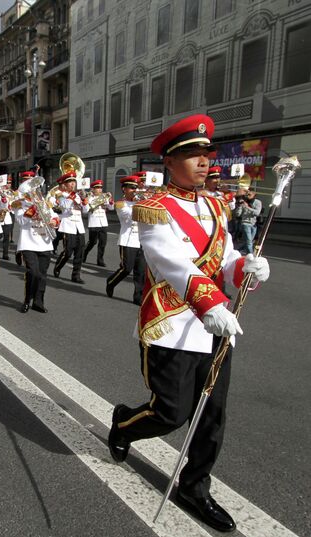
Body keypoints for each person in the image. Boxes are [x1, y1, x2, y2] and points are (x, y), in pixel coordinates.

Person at [108, 114, 270, 533]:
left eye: (205, 153)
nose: (202, 161)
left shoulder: (216, 204)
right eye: (191, 154)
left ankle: (194, 489)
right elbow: (170, 261)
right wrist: (212, 302)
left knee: (212, 414)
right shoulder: (153, 207)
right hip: (172, 321)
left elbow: (225, 257)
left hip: (215, 324)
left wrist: (245, 268)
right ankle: (124, 422)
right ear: (170, 160)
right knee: (172, 412)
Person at [13, 176, 59, 313]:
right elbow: (21, 222)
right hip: (28, 243)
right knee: (33, 272)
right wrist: (33, 208)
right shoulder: (19, 204)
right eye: (33, 189)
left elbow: (54, 216)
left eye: (37, 188)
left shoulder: (43, 203)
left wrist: (54, 222)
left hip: (44, 242)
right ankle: (27, 300)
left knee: (42, 275)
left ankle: (38, 302)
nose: (36, 191)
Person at [105, 176, 146, 305]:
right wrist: (141, 202)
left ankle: (138, 297)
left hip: (141, 240)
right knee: (126, 269)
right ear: (124, 189)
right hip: (128, 240)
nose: (135, 190)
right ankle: (111, 282)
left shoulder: (141, 202)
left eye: (136, 187)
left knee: (141, 271)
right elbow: (129, 216)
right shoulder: (120, 204)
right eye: (132, 188)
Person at [52, 172, 87, 283]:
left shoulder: (78, 195)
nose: (73, 184)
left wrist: (84, 201)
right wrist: (72, 197)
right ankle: (58, 266)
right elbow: (64, 206)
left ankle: (76, 275)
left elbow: (85, 211)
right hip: (68, 226)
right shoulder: (60, 194)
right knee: (67, 252)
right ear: (65, 184)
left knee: (79, 252)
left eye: (74, 182)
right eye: (70, 182)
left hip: (79, 227)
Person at [82, 179, 113, 266]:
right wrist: (86, 203)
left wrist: (110, 200)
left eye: (100, 188)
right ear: (93, 189)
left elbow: (111, 208)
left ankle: (100, 260)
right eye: (97, 188)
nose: (100, 189)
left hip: (103, 223)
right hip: (94, 222)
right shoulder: (89, 198)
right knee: (92, 242)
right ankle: (84, 253)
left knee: (103, 243)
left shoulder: (104, 197)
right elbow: (86, 211)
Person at [234, 187, 262, 255]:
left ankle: (237, 251)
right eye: (247, 194)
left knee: (249, 241)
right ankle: (251, 255)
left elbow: (257, 213)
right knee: (249, 241)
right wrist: (239, 206)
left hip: (254, 224)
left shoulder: (258, 202)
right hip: (245, 223)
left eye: (249, 194)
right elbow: (238, 214)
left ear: (254, 194)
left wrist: (247, 207)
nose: (247, 196)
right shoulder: (244, 201)